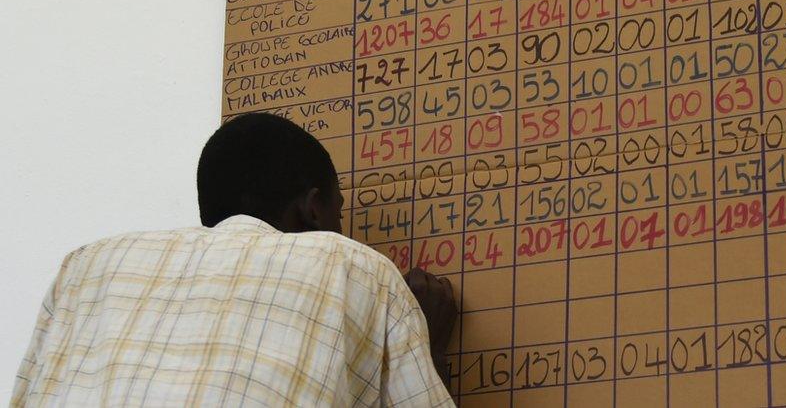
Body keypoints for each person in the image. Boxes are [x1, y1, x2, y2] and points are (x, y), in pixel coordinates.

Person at [12, 113, 458, 407]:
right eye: (338, 213)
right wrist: (431, 345)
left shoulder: (84, 269)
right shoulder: (354, 266)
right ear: (312, 207)